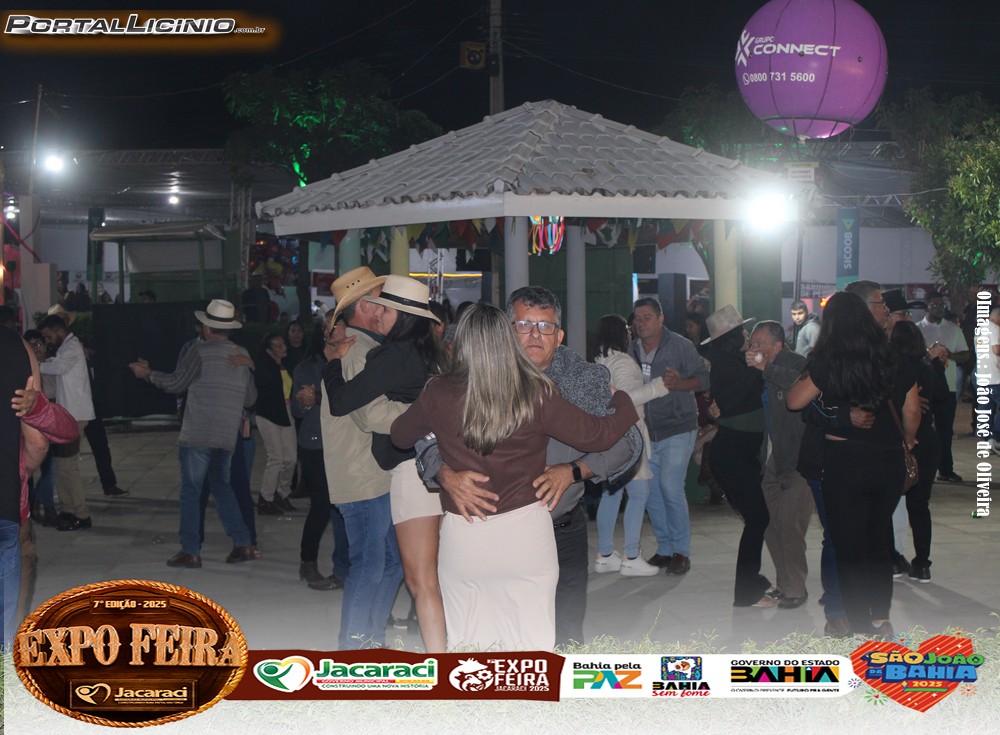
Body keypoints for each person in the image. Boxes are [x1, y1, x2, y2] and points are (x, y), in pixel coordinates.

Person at [390, 303, 638, 651]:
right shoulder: (536, 391)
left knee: (469, 647)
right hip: (526, 536)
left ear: (460, 343)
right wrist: (623, 402)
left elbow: (400, 435)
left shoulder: (438, 392)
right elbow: (599, 436)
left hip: (466, 536)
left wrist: (438, 453)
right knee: (532, 647)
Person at [787, 291, 920, 638]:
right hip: (887, 461)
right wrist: (908, 440)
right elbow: (911, 410)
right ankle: (880, 619)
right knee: (878, 539)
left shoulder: (829, 359)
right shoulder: (891, 355)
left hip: (845, 461)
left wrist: (838, 413)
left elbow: (795, 400)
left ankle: (859, 621)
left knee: (847, 544)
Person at [326, 275, 447, 651]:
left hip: (404, 471)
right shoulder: (421, 351)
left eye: (386, 307)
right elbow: (369, 414)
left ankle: (362, 647)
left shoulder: (383, 352)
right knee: (396, 568)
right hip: (396, 472)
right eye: (378, 304)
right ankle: (363, 645)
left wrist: (330, 366)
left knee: (407, 574)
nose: (379, 312)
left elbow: (352, 406)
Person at [129, 299, 258, 567]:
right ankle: (243, 543)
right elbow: (250, 399)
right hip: (226, 435)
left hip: (199, 432)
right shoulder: (242, 354)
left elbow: (176, 384)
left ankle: (190, 550)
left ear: (208, 328)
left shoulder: (199, 351)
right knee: (222, 488)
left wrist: (148, 374)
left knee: (191, 491)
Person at [318, 266, 403, 650]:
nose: (388, 307)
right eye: (382, 299)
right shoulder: (356, 350)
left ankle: (370, 641)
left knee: (389, 565)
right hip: (362, 478)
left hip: (370, 475)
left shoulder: (361, 347)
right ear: (367, 305)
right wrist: (423, 412)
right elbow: (371, 416)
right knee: (370, 566)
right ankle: (352, 649)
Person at [701, 305, 775, 608]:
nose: (747, 335)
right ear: (732, 337)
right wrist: (753, 370)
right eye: (742, 331)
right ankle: (746, 591)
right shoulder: (725, 365)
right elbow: (730, 401)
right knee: (758, 518)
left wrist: (755, 369)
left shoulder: (735, 363)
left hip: (741, 452)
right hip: (732, 453)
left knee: (757, 517)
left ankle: (752, 581)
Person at [629, 296, 710, 574]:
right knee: (651, 492)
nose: (641, 323)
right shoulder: (632, 350)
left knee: (670, 487)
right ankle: (665, 548)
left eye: (647, 317)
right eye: (637, 318)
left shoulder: (680, 346)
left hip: (678, 427)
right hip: (647, 431)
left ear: (661, 319)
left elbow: (704, 379)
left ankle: (681, 552)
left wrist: (679, 384)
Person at [591, 314, 667, 577]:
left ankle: (605, 554)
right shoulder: (622, 361)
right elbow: (625, 398)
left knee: (612, 493)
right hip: (629, 434)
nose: (631, 332)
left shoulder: (600, 360)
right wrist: (658, 387)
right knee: (638, 495)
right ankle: (631, 556)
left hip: (611, 434)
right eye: (627, 328)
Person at [746, 320, 815, 609]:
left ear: (777, 345)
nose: (754, 348)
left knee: (789, 524)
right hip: (770, 457)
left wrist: (766, 368)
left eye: (760, 343)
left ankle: (796, 589)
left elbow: (799, 385)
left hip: (800, 457)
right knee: (769, 523)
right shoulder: (753, 371)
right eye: (752, 343)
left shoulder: (797, 364)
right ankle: (785, 584)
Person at [291, 317, 350, 591]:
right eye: (329, 326)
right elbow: (297, 409)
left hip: (346, 443)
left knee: (343, 507)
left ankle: (344, 567)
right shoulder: (307, 366)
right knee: (323, 504)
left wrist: (317, 398)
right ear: (323, 332)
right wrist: (305, 402)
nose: (334, 329)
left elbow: (351, 397)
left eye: (339, 324)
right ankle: (308, 561)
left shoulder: (353, 359)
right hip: (315, 443)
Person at [890, 321, 946, 583]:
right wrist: (935, 363)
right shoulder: (925, 368)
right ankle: (922, 564)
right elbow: (943, 394)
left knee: (888, 504)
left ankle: (892, 559)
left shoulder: (894, 370)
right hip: (928, 443)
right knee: (920, 506)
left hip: (900, 442)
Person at [38, 314, 95, 531]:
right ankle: (68, 510)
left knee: (68, 467)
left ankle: (81, 514)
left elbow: (58, 368)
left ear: (59, 331)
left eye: (48, 336)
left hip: (76, 416)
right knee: (62, 467)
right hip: (68, 416)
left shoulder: (73, 346)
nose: (47, 341)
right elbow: (55, 364)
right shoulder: (66, 348)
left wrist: (36, 364)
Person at [916, 291, 970, 482]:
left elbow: (965, 354)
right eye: (935, 304)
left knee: (945, 431)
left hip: (948, 388)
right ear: (927, 306)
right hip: (924, 387)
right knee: (922, 429)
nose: (939, 308)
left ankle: (946, 469)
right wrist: (929, 356)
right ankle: (919, 468)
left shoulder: (953, 328)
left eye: (942, 305)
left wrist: (950, 355)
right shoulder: (918, 329)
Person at [254, 333, 298, 515]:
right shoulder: (264, 366)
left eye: (283, 344)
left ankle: (282, 492)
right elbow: (264, 382)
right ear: (269, 350)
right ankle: (266, 498)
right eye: (278, 346)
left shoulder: (287, 365)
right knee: (276, 457)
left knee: (291, 458)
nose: (283, 348)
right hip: (268, 413)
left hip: (285, 412)